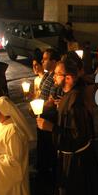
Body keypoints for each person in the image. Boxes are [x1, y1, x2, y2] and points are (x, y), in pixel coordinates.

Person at [36, 56, 98, 195]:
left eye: (57, 74)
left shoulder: (76, 101)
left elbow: (77, 137)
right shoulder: (69, 96)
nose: (54, 78)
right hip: (72, 158)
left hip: (76, 162)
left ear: (68, 78)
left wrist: (51, 127)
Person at [36, 49, 60, 177]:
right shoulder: (47, 75)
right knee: (42, 142)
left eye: (45, 59)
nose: (42, 61)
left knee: (49, 144)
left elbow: (51, 100)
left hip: (49, 115)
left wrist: (37, 108)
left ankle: (50, 169)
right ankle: (43, 166)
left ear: (54, 61)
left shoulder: (55, 78)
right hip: (41, 113)